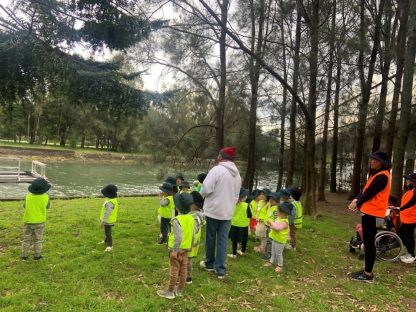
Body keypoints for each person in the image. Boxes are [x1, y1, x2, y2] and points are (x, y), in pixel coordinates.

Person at [348, 151, 391, 283]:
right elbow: (365, 190)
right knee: (367, 242)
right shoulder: (376, 174)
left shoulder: (383, 176)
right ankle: (367, 270)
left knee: (369, 243)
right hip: (369, 212)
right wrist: (356, 199)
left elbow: (369, 193)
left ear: (382, 163)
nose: (372, 161)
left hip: (373, 213)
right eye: (372, 159)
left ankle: (368, 274)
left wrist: (357, 202)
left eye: (375, 160)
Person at [200, 146, 241, 279]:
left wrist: (202, 196)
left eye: (219, 155)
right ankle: (221, 270)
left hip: (213, 210)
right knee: (223, 240)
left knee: (211, 237)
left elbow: (205, 189)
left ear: (221, 157)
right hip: (227, 212)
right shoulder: (237, 174)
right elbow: (236, 195)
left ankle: (209, 264)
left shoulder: (217, 170)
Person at [157, 193, 195, 299]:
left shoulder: (176, 220)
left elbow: (178, 237)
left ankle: (169, 291)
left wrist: (174, 250)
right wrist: (191, 246)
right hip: (186, 249)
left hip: (177, 250)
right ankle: (180, 290)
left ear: (177, 207)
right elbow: (193, 234)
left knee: (174, 270)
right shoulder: (192, 218)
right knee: (183, 270)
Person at [21, 177, 51, 260]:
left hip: (28, 221)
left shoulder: (27, 196)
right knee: (38, 239)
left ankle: (24, 256)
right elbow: (48, 207)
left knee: (26, 239)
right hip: (40, 222)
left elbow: (24, 206)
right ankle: (37, 256)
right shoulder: (46, 197)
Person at [264, 202, 292, 273]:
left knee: (279, 254)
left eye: (278, 211)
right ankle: (271, 262)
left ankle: (280, 265)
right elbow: (275, 225)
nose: (277, 212)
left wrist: (270, 222)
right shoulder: (279, 218)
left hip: (280, 241)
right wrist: (271, 225)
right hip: (275, 238)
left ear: (283, 213)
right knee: (273, 252)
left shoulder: (284, 222)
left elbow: (277, 228)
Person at [187, 191, 205, 284]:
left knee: (187, 260)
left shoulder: (194, 217)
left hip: (190, 244)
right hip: (194, 244)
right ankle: (187, 276)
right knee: (188, 259)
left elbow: (193, 233)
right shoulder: (199, 214)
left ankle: (188, 277)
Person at [228, 188, 251, 258]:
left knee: (234, 240)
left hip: (235, 224)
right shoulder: (246, 205)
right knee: (244, 239)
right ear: (244, 197)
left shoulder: (233, 204)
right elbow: (250, 215)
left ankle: (234, 254)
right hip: (244, 225)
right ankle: (242, 251)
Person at [398, 173, 416, 264]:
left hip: (412, 219)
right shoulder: (410, 190)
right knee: (409, 236)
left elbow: (412, 202)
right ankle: (411, 254)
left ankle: (412, 254)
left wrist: (401, 208)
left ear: (413, 182)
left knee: (401, 234)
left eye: (408, 180)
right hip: (407, 218)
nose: (407, 181)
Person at [99, 184, 119, 252]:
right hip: (108, 220)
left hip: (108, 221)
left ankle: (110, 246)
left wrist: (102, 222)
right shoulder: (112, 199)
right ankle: (105, 240)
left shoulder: (110, 203)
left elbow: (107, 213)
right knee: (107, 231)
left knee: (108, 232)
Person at [254, 188, 269, 253]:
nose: (262, 196)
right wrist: (257, 216)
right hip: (259, 221)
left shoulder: (268, 204)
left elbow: (268, 213)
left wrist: (262, 219)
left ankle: (262, 249)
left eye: (264, 194)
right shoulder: (260, 202)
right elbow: (258, 210)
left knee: (264, 236)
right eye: (261, 194)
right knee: (260, 235)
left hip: (264, 222)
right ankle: (261, 246)